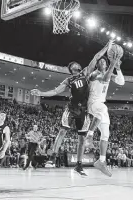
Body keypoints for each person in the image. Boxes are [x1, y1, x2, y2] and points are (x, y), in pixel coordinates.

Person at [31, 40, 114, 176]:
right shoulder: (68, 80)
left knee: (82, 139)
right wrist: (41, 93)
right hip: (71, 108)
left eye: (77, 65)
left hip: (84, 111)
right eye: (73, 66)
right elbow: (55, 91)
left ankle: (79, 165)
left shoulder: (86, 73)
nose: (76, 66)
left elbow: (96, 57)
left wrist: (107, 46)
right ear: (70, 70)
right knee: (63, 131)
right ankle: (53, 156)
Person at [84, 50, 125, 177]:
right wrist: (113, 63)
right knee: (103, 109)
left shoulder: (108, 72)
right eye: (100, 61)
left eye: (104, 61)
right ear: (97, 65)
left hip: (100, 103)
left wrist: (117, 68)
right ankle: (89, 135)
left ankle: (101, 161)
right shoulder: (94, 74)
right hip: (93, 103)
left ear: (106, 65)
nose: (102, 61)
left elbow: (121, 82)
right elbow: (105, 78)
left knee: (106, 133)